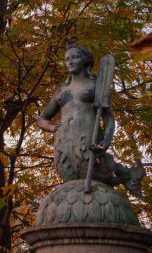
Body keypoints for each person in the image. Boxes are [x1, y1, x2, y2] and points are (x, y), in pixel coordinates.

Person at [37, 45, 145, 195]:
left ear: (86, 60)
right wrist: (51, 127)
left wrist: (106, 141)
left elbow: (108, 117)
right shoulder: (61, 91)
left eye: (75, 57)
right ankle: (124, 174)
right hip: (64, 141)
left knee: (95, 174)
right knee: (71, 179)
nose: (70, 61)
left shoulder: (95, 86)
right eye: (67, 59)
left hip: (88, 137)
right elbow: (42, 117)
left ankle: (125, 174)